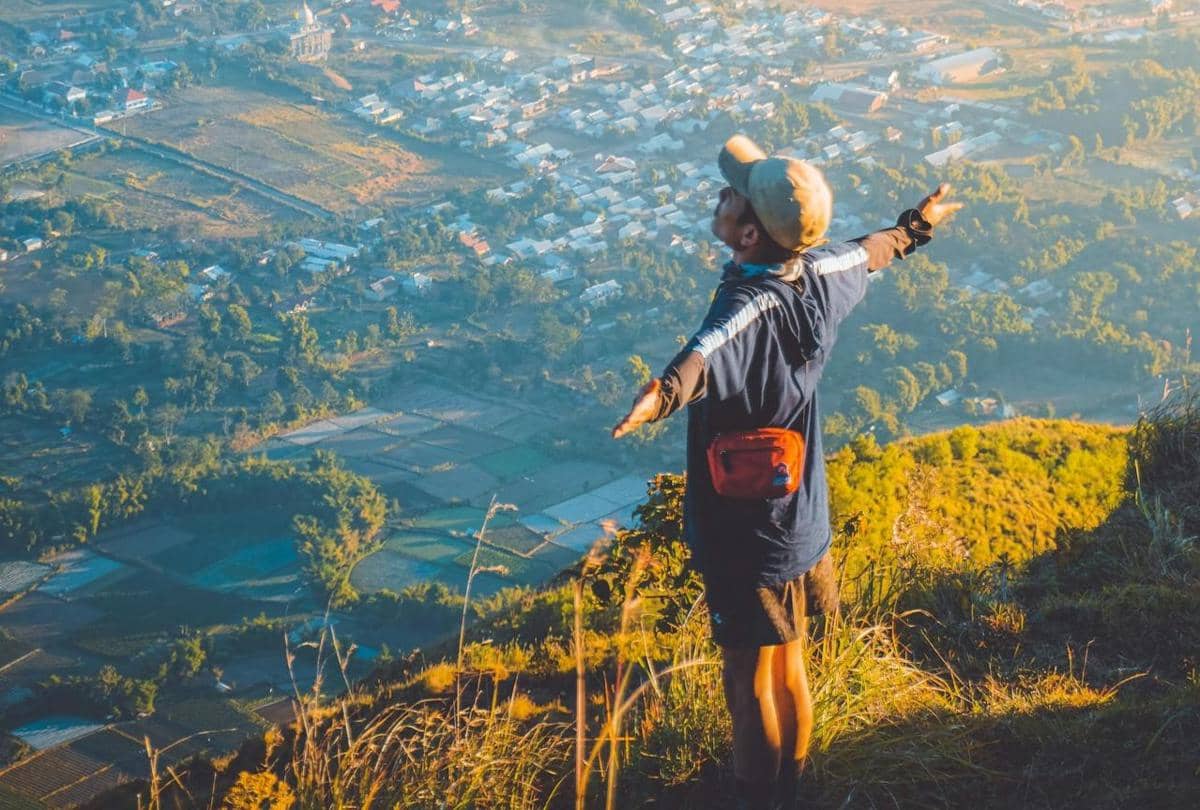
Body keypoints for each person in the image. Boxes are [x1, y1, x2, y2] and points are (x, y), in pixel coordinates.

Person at [611, 134, 962, 809]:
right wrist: (917, 226)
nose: (720, 195)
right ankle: (795, 791)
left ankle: (758, 801)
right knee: (789, 663)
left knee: (745, 685)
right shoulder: (822, 274)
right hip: (803, 516)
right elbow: (875, 250)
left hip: (747, 529)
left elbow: (698, 359)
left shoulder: (745, 306)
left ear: (746, 233)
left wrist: (652, 401)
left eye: (732, 194)